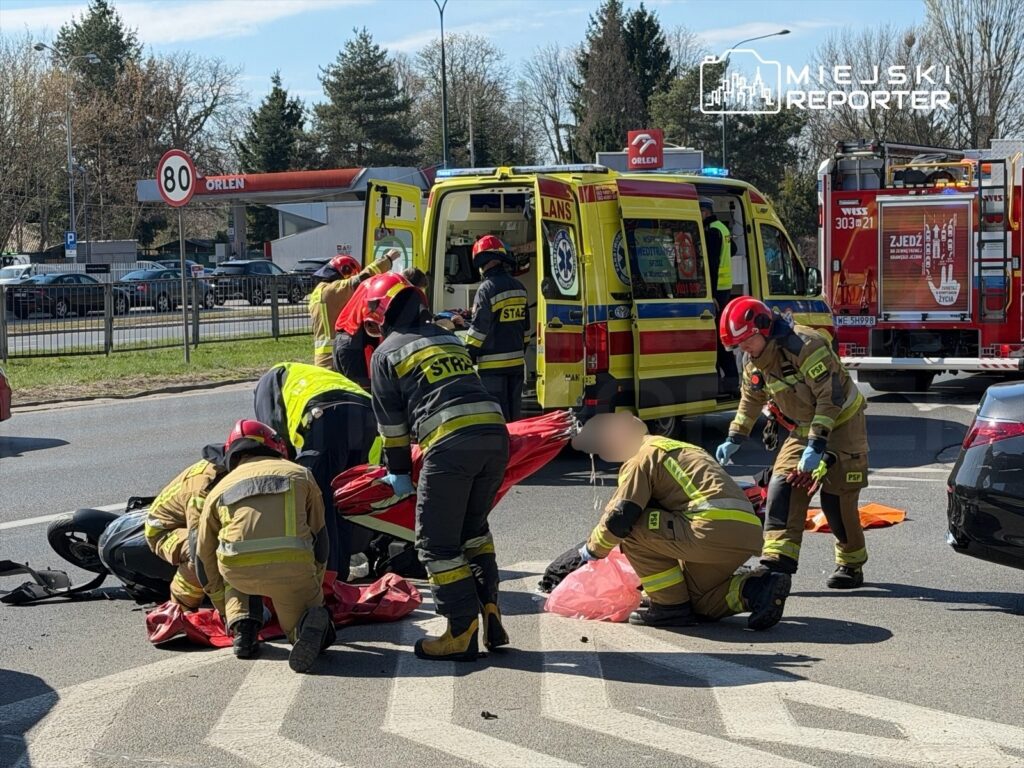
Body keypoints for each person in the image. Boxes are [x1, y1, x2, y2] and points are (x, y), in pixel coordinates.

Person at [364, 272, 509, 661]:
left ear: (380, 315)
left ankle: (460, 630)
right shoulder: (446, 337)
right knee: (473, 531)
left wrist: (398, 473)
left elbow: (393, 429)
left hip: (450, 446)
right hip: (495, 436)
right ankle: (490, 608)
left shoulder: (386, 353)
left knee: (435, 544)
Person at [573, 413, 791, 630]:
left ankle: (669, 607)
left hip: (707, 529)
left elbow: (621, 516)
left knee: (632, 529)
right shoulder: (682, 448)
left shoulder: (641, 456)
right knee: (699, 601)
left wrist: (591, 552)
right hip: (745, 533)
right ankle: (757, 588)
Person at [715, 297, 869, 589]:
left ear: (765, 328)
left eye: (747, 341)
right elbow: (751, 400)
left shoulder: (806, 346)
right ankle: (777, 563)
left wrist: (818, 445)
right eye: (738, 345)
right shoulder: (753, 362)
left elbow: (830, 397)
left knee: (836, 501)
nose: (743, 349)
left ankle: (851, 564)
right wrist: (735, 436)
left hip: (843, 424)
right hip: (804, 427)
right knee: (781, 485)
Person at [196, 419, 333, 672]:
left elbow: (203, 555)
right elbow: (320, 536)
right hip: (292, 567)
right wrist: (313, 586)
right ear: (276, 446)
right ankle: (304, 629)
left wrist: (222, 607)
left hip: (238, 570)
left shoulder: (219, 489)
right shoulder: (300, 473)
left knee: (231, 572)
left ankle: (242, 627)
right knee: (303, 623)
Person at [253, 362, 380, 583]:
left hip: (327, 416)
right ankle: (340, 573)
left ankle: (328, 580)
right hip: (367, 414)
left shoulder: (268, 382)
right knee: (345, 499)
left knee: (319, 501)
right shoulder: (308, 375)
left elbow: (275, 439)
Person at [143, 445, 227, 610]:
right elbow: (200, 544)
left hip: (190, 519)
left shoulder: (231, 466)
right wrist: (223, 606)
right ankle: (181, 606)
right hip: (164, 529)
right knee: (199, 552)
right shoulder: (204, 489)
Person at [463, 235, 529, 422]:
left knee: (497, 419)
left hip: (492, 369)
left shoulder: (486, 289)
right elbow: (525, 330)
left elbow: (479, 331)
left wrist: (467, 357)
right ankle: (515, 451)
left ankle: (500, 451)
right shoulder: (520, 287)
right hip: (516, 366)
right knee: (514, 419)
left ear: (483, 261)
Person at [700, 198, 739, 395]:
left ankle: (726, 381)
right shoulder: (722, 228)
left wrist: (711, 294)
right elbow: (733, 250)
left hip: (717, 291)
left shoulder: (711, 232)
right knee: (720, 337)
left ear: (705, 212)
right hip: (725, 288)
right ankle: (730, 380)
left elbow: (713, 264)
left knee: (716, 339)